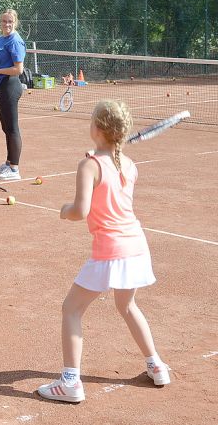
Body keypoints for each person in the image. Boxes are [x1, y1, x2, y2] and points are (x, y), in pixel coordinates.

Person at [37, 100, 169, 404]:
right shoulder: (129, 164)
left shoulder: (89, 165)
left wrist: (63, 210)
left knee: (71, 309)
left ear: (97, 128)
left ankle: (70, 381)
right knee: (127, 306)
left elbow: (80, 211)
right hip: (136, 245)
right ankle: (156, 365)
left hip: (110, 250)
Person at [0, 9, 25, 180]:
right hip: (0, 85)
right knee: (6, 127)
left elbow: (18, 69)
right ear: (0, 23)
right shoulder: (0, 39)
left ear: (15, 22)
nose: (7, 24)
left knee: (13, 128)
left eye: (10, 21)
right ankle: (8, 163)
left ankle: (15, 170)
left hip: (11, 85)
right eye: (4, 21)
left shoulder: (15, 41)